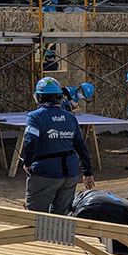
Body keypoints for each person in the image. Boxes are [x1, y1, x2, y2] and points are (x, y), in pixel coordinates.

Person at [21, 77, 94, 213]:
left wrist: (27, 162)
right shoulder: (70, 117)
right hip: (70, 173)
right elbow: (81, 146)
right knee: (60, 218)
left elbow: (30, 141)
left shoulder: (35, 116)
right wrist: (87, 171)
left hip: (45, 172)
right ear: (60, 98)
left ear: (39, 97)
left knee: (35, 216)